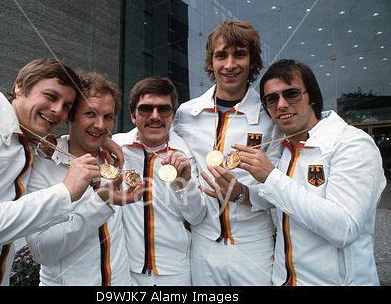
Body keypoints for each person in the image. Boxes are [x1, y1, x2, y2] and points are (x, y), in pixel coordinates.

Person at [0, 59, 110, 285]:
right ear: (19, 87)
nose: (57, 110)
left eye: (67, 105)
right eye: (51, 96)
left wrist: (102, 140)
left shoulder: (25, 139)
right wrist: (63, 193)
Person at [234, 59, 386, 285]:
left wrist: (270, 177)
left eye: (292, 94)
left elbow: (344, 228)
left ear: (312, 97)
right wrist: (238, 191)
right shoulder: (285, 149)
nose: (282, 104)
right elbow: (284, 201)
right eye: (272, 99)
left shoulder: (352, 144)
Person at [172, 20, 279, 285]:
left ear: (252, 61)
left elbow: (282, 187)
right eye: (221, 55)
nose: (230, 65)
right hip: (203, 241)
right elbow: (151, 139)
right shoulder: (186, 113)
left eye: (239, 54)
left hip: (253, 242)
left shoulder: (270, 116)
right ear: (211, 62)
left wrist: (244, 195)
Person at [25, 72, 140, 285]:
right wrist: (100, 204)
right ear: (70, 115)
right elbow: (41, 252)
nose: (100, 125)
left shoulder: (115, 160)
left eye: (108, 117)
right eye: (90, 114)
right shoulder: (43, 167)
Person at [112, 77, 206, 286]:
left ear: (172, 116)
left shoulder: (185, 155)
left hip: (175, 273)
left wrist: (184, 184)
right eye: (146, 109)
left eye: (163, 110)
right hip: (125, 271)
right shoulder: (117, 149)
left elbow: (197, 216)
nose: (155, 117)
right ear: (132, 115)